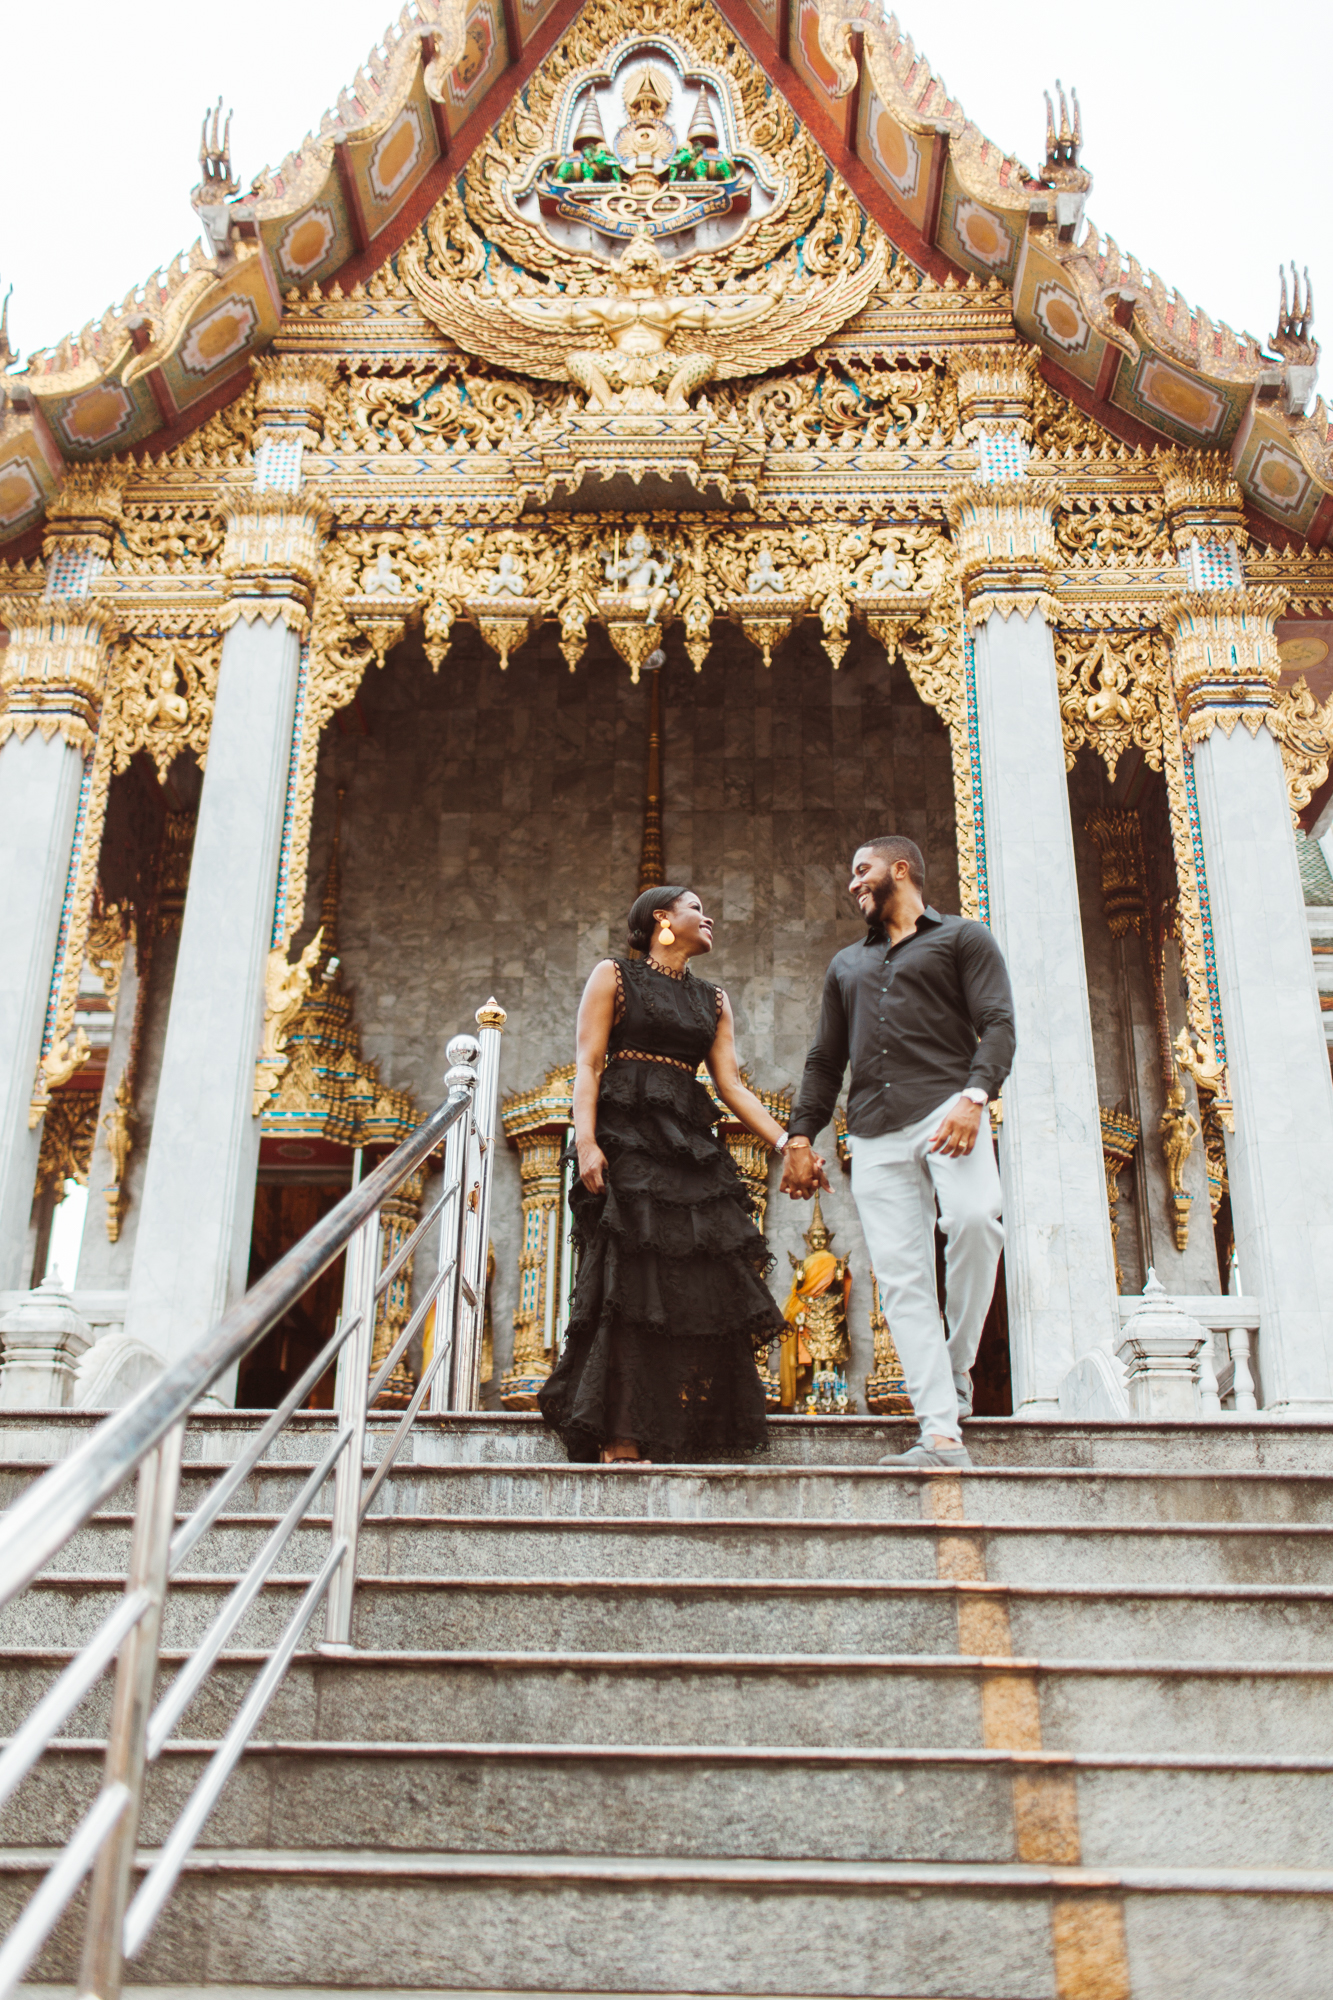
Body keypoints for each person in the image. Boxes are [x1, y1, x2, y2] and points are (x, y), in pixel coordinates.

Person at [780, 835, 1015, 1468]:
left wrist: (975, 1097)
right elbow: (826, 1060)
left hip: (948, 1106)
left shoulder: (965, 939)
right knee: (904, 1281)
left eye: (864, 870)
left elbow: (997, 1024)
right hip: (874, 1129)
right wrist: (801, 1136)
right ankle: (940, 1431)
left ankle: (956, 1365)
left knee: (975, 1221)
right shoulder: (846, 967)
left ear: (900, 869)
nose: (854, 883)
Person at [538, 886, 791, 1464]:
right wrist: (586, 1142)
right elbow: (589, 1063)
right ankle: (622, 1434)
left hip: (687, 1148)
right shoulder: (614, 976)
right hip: (626, 1140)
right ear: (662, 920)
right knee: (632, 1287)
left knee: (696, 1285)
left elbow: (731, 1086)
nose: (710, 918)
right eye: (698, 908)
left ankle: (689, 1426)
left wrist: (785, 1141)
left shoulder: (713, 1000)